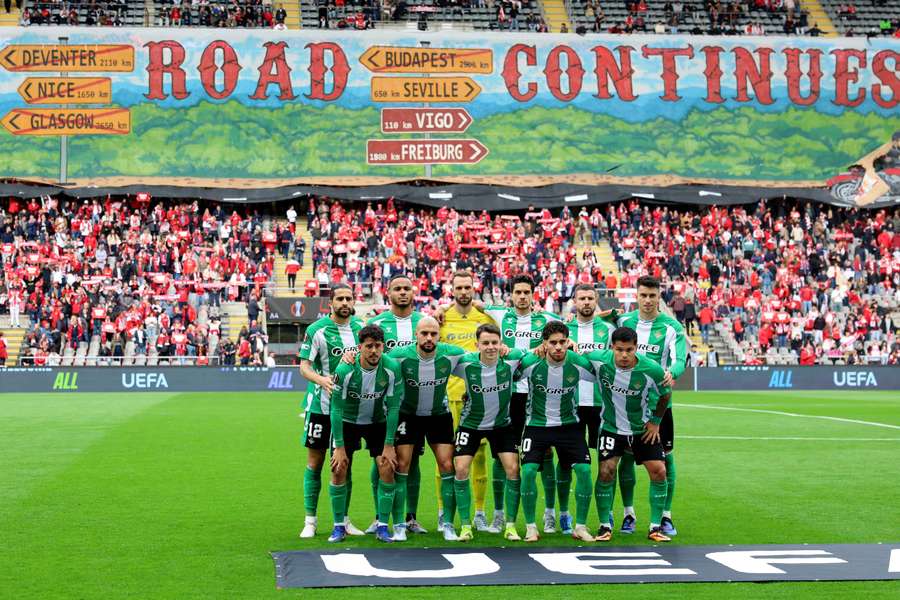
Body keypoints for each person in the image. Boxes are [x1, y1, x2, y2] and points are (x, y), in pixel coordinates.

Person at [479, 274, 563, 533]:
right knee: (502, 454)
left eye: (527, 292)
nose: (523, 296)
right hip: (509, 393)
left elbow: (572, 325)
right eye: (518, 292)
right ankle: (499, 514)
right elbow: (472, 304)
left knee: (546, 453)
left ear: (533, 294)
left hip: (539, 392)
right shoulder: (501, 315)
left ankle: (549, 514)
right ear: (511, 294)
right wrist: (440, 309)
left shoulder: (546, 319)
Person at [607, 275, 687, 536]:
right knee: (626, 459)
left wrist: (671, 373)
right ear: (637, 296)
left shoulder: (672, 327)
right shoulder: (624, 321)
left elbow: (680, 359)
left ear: (659, 296)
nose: (648, 300)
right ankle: (629, 513)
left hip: (659, 406)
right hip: (625, 405)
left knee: (666, 460)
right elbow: (593, 322)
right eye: (643, 295)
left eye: (653, 295)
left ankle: (666, 515)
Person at [585, 326, 672, 543]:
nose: (624, 355)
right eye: (619, 350)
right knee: (606, 471)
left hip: (641, 429)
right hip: (611, 428)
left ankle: (655, 527)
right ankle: (605, 525)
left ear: (636, 348)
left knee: (659, 471)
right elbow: (574, 355)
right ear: (612, 347)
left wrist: (656, 422)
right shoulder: (598, 359)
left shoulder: (651, 369)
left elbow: (665, 394)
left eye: (629, 350)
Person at [517, 321, 596, 543]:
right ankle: (531, 527)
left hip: (569, 425)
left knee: (583, 470)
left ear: (568, 342)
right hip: (537, 425)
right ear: (544, 344)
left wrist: (587, 350)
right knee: (530, 471)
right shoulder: (532, 362)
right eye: (553, 343)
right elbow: (510, 376)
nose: (558, 347)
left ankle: (580, 526)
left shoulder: (578, 362)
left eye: (563, 342)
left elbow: (603, 373)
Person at [389, 317, 467, 541]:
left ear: (439, 335)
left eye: (433, 333)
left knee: (446, 465)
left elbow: (478, 360)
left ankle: (449, 524)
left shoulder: (451, 353)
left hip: (438, 416)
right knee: (402, 465)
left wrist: (501, 348)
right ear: (416, 335)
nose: (429, 338)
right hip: (408, 415)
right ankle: (400, 525)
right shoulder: (400, 355)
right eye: (424, 333)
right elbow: (377, 363)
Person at [298, 284, 364, 538]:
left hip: (350, 410)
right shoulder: (317, 330)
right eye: (340, 298)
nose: (345, 302)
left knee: (344, 464)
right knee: (315, 463)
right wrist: (321, 380)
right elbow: (303, 367)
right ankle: (310, 520)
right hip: (320, 408)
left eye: (348, 298)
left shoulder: (360, 329)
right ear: (331, 303)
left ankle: (344, 519)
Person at [451, 323, 525, 541]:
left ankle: (510, 525)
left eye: (495, 342)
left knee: (513, 469)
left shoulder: (512, 359)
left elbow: (535, 352)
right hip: (471, 425)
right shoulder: (465, 363)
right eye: (486, 343)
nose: (491, 347)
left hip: (502, 425)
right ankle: (465, 525)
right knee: (461, 469)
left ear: (501, 344)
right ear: (477, 345)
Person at [364, 274, 427, 534]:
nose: (403, 293)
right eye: (397, 289)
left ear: (414, 293)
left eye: (407, 289)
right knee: (380, 460)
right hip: (383, 405)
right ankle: (380, 516)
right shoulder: (376, 323)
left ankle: (410, 517)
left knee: (412, 462)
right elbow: (363, 351)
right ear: (387, 292)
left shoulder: (423, 322)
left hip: (416, 403)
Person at [327, 325, 402, 543]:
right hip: (347, 422)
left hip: (376, 422)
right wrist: (339, 447)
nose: (374, 351)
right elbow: (336, 409)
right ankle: (339, 526)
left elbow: (394, 406)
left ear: (383, 346)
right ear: (360, 347)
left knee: (387, 467)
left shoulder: (390, 368)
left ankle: (382, 526)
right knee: (338, 469)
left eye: (378, 346)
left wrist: (389, 444)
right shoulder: (345, 370)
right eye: (369, 346)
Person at [438, 271, 497, 532]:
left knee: (480, 456)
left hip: (480, 398)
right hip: (449, 397)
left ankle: (480, 512)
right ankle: (443, 512)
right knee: (446, 458)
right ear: (452, 290)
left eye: (468, 287)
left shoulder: (485, 318)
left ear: (474, 289)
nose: (464, 291)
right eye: (459, 287)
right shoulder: (441, 318)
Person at [566, 283, 615, 532]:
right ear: (574, 301)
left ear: (596, 300)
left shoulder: (607, 330)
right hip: (571, 404)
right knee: (566, 461)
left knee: (607, 462)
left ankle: (607, 513)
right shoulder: (565, 330)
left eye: (590, 298)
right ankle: (562, 513)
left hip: (600, 404)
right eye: (581, 298)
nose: (586, 302)